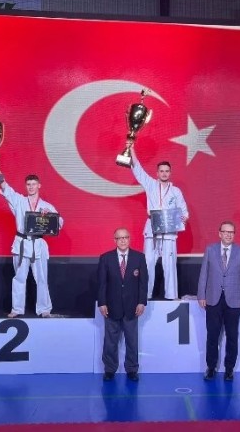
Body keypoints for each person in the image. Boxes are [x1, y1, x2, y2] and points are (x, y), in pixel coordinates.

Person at [0, 174, 62, 318]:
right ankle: (17, 309)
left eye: (34, 184)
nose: (31, 187)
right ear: (25, 186)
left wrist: (49, 216)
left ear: (39, 185)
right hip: (21, 243)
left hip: (38, 244)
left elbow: (59, 222)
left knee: (41, 278)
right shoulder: (19, 201)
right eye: (28, 184)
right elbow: (7, 190)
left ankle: (44, 309)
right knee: (19, 278)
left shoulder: (46, 206)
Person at [130, 147, 188, 299]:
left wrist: (184, 218)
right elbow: (138, 170)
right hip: (152, 228)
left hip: (169, 230)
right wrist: (132, 149)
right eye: (161, 171)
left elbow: (183, 210)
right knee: (148, 262)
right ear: (157, 173)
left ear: (170, 173)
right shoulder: (150, 185)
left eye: (167, 171)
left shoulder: (176, 191)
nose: (164, 173)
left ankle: (171, 295)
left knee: (169, 264)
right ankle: (145, 295)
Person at [197, 221, 240, 381]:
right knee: (212, 335)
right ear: (219, 233)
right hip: (213, 299)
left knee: (232, 336)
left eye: (231, 232)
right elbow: (203, 274)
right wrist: (201, 295)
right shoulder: (210, 249)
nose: (228, 235)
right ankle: (211, 367)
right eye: (226, 232)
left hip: (234, 300)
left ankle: (229, 369)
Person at [97, 228, 148, 382]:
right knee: (110, 341)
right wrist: (102, 303)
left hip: (132, 308)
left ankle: (132, 369)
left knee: (132, 341)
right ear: (115, 240)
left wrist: (141, 302)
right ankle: (109, 369)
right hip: (111, 307)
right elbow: (102, 283)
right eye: (120, 238)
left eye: (126, 237)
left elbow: (143, 283)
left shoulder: (139, 258)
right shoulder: (105, 258)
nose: (123, 240)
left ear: (129, 239)